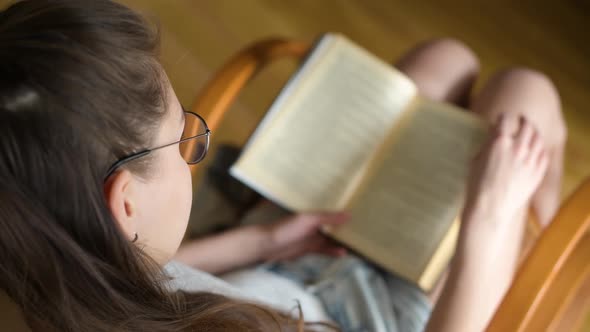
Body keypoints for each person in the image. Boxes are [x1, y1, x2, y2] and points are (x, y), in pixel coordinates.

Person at [0, 0, 566, 331]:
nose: (192, 147)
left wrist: (263, 241)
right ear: (124, 204)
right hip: (377, 315)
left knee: (439, 63)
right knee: (525, 98)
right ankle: (551, 266)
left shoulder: (64, 275)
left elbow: (151, 279)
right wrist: (489, 215)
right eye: (184, 141)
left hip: (280, 266)